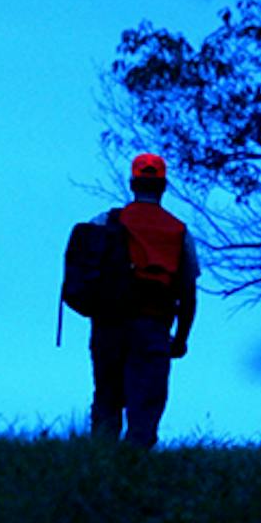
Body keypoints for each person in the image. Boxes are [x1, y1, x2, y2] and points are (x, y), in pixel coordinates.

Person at [87, 153, 198, 448]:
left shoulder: (105, 221)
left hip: (108, 324)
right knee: (145, 403)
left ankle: (100, 463)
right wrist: (181, 338)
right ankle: (136, 465)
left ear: (132, 184)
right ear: (164, 186)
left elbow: (87, 271)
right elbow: (188, 292)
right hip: (154, 327)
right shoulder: (179, 231)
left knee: (107, 395)